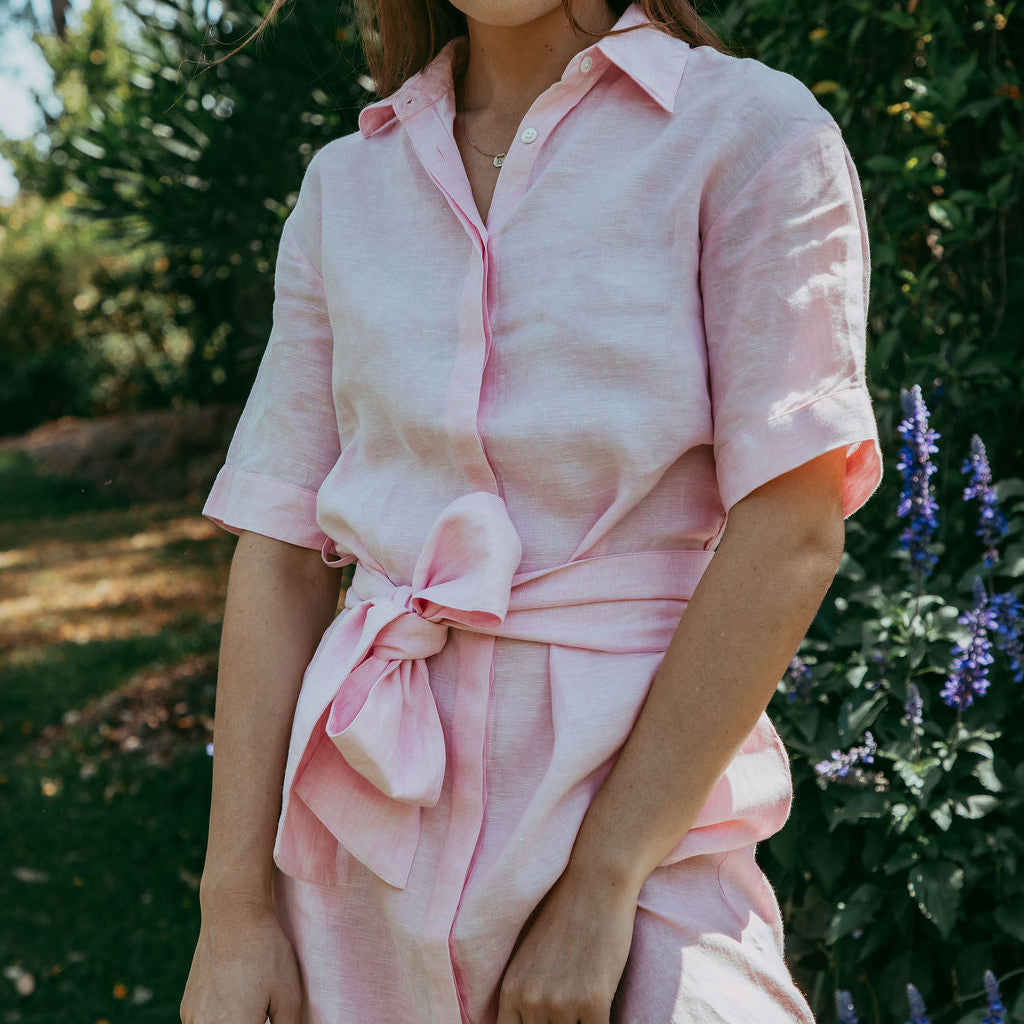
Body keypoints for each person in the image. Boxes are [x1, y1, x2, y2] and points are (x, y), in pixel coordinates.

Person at [180, 0, 884, 1019]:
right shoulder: (345, 186)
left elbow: (794, 526)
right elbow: (283, 550)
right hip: (355, 856)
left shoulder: (751, 134)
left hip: (640, 841)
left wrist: (601, 883)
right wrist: (233, 913)